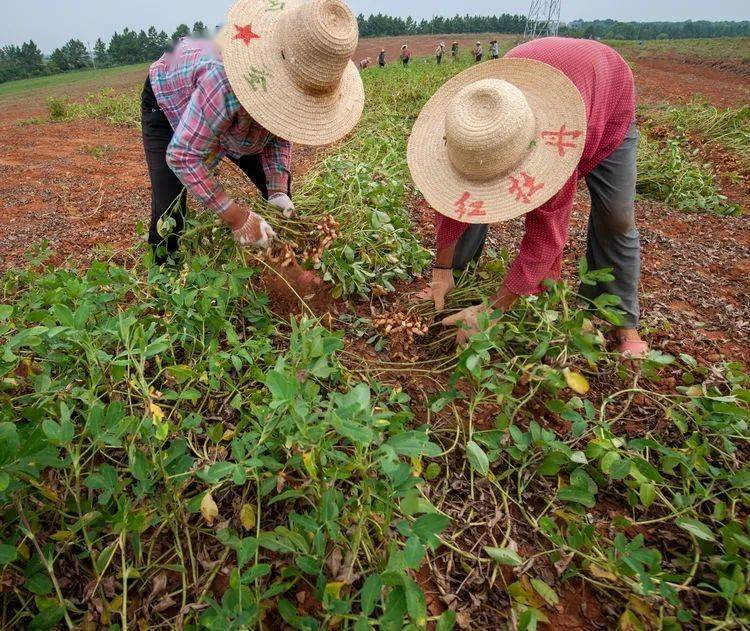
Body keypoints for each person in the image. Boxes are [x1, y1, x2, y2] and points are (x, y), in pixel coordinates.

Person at [407, 37, 648, 358]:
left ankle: (623, 320)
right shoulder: (477, 117)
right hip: (536, 76)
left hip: (608, 91)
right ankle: (454, 278)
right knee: (473, 186)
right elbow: (454, 204)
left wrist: (492, 311)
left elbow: (546, 236)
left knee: (616, 217)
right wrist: (440, 270)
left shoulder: (552, 153)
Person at [141, 0, 364, 262]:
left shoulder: (294, 80)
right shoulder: (223, 79)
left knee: (280, 202)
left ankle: (289, 259)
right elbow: (183, 156)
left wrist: (278, 190)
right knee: (170, 211)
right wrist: (237, 217)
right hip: (168, 97)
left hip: (227, 108)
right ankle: (163, 276)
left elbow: (280, 131)